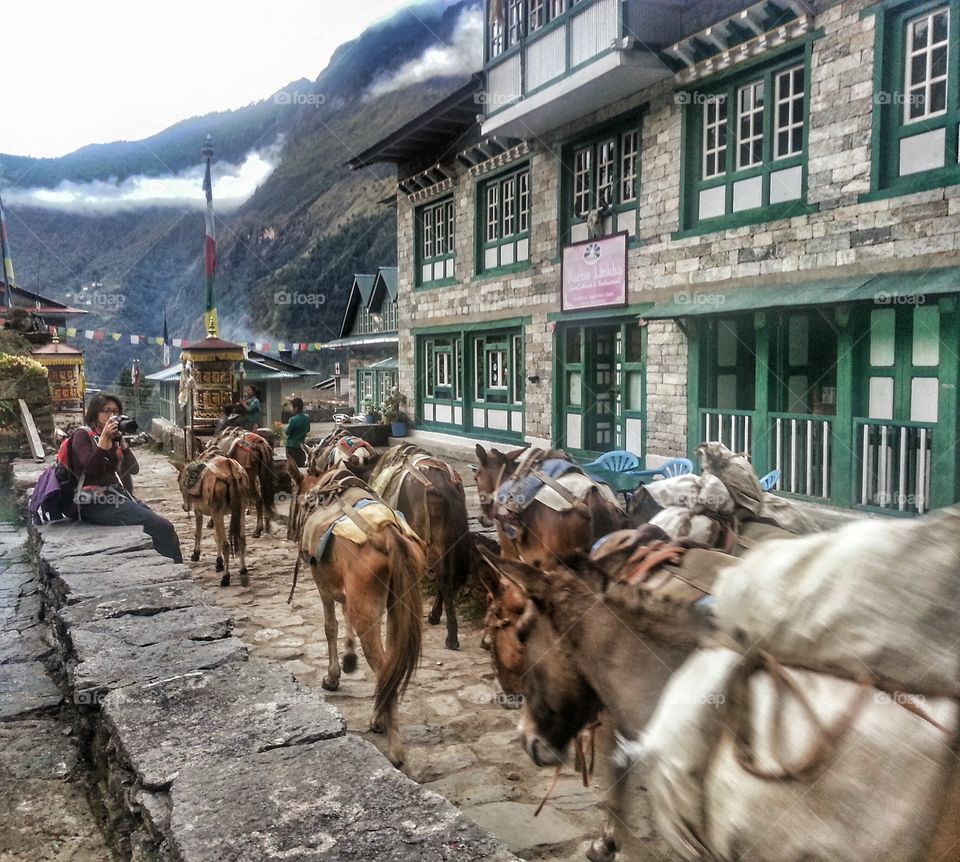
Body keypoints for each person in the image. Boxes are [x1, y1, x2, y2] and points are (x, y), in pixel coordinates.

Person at [66, 393, 183, 563]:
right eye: (106, 411)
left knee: (162, 525)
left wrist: (122, 445)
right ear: (95, 413)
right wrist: (104, 441)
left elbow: (133, 469)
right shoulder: (82, 436)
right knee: (161, 527)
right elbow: (90, 471)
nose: (112, 416)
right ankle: (175, 573)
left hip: (114, 496)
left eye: (116, 412)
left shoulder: (114, 438)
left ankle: (168, 565)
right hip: (91, 501)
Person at [284, 397, 311, 467]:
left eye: (291, 407)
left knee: (292, 466)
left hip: (291, 446)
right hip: (301, 445)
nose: (290, 408)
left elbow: (287, 432)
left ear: (296, 408)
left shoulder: (292, 419)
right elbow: (308, 429)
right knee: (301, 464)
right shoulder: (307, 418)